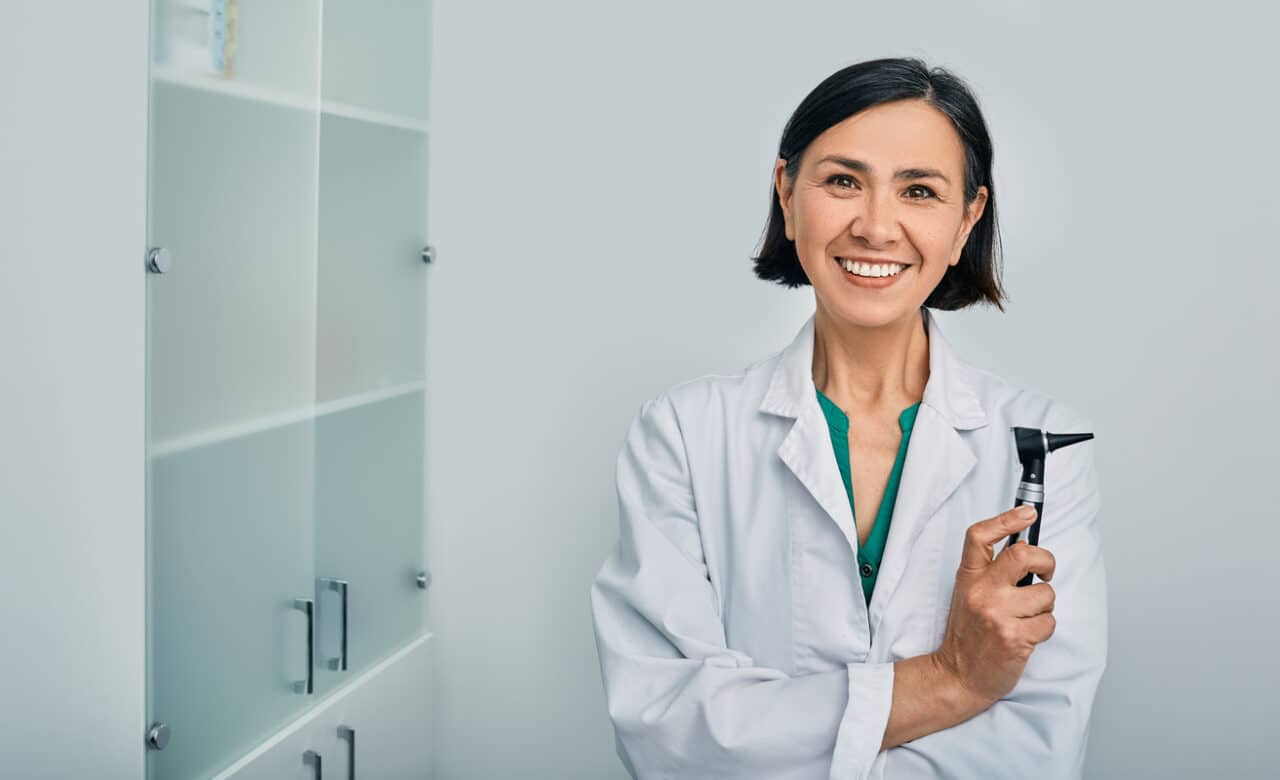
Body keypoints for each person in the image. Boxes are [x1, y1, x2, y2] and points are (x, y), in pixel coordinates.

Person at [589, 57, 1107, 780]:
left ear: (967, 221)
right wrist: (954, 679)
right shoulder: (682, 434)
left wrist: (785, 731)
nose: (875, 226)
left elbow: (1037, 739)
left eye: (919, 191)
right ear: (788, 195)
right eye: (842, 181)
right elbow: (669, 728)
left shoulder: (1041, 446)